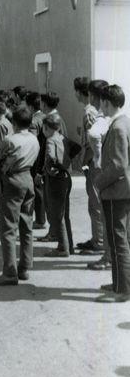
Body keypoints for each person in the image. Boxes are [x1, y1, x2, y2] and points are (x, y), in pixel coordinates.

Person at [0, 106, 40, 285]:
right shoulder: (34, 139)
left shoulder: (10, 140)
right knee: (26, 225)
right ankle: (25, 267)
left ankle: (9, 272)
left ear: (14, 122)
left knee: (8, 228)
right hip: (28, 178)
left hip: (12, 180)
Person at [95, 85, 130, 302]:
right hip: (123, 189)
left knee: (118, 240)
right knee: (123, 238)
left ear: (108, 103)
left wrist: (98, 182)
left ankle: (123, 290)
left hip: (115, 191)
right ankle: (120, 282)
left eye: (102, 102)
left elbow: (118, 164)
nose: (100, 106)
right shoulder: (124, 122)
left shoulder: (117, 127)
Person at [84, 80, 112, 269]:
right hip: (115, 171)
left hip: (105, 171)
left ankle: (107, 254)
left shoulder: (102, 118)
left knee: (103, 210)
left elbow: (93, 136)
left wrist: (98, 158)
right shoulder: (117, 117)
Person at [74, 77, 102, 255]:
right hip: (91, 162)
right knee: (94, 202)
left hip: (93, 162)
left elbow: (94, 141)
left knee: (95, 202)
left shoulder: (89, 112)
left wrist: (84, 161)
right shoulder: (90, 111)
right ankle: (96, 238)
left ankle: (99, 241)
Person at [42, 113, 74, 257]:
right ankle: (69, 245)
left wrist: (49, 170)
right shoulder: (63, 138)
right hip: (66, 178)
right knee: (64, 214)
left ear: (47, 127)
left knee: (57, 214)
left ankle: (63, 248)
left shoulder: (50, 140)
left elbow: (50, 157)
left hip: (56, 179)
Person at [27, 92, 46, 229]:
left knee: (37, 189)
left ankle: (40, 219)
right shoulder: (45, 117)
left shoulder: (34, 121)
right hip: (44, 156)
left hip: (36, 158)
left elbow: (32, 142)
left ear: (29, 106)